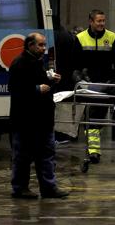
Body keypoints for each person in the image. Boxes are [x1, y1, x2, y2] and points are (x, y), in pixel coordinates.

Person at [9, 32, 69, 199]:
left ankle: (48, 188)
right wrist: (36, 89)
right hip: (26, 120)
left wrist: (52, 81)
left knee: (46, 155)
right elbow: (15, 89)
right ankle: (20, 188)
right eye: (40, 45)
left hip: (43, 120)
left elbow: (43, 85)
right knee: (23, 156)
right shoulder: (19, 64)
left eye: (44, 45)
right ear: (30, 46)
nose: (44, 48)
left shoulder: (37, 63)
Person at [72, 9, 115, 164]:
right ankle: (94, 150)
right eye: (98, 21)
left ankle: (93, 149)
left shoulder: (112, 38)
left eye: (103, 21)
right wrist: (80, 79)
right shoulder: (80, 38)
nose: (102, 24)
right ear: (91, 21)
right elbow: (75, 63)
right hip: (87, 84)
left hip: (106, 85)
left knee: (96, 118)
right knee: (93, 117)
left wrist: (114, 81)